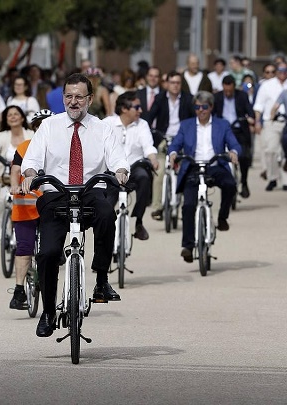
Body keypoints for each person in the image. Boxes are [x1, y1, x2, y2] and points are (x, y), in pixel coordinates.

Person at [20, 73, 129, 338]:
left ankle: (101, 279)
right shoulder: (49, 126)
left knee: (106, 214)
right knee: (47, 253)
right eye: (68, 96)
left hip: (90, 190)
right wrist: (31, 173)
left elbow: (118, 159)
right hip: (56, 193)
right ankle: (47, 312)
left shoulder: (103, 128)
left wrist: (121, 171)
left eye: (79, 96)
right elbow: (32, 159)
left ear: (90, 99)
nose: (73, 101)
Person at [168, 91, 240, 262]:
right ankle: (188, 245)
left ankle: (222, 217)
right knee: (188, 206)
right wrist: (172, 153)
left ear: (211, 107)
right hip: (193, 167)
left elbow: (234, 143)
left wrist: (233, 152)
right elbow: (176, 143)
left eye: (205, 107)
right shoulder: (186, 125)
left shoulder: (222, 124)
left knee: (230, 185)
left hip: (215, 165)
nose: (201, 110)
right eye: (197, 107)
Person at [6, 109, 54, 310]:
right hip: (26, 205)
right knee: (24, 247)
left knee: (51, 248)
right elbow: (16, 170)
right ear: (34, 129)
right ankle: (19, 291)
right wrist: (15, 185)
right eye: (39, 125)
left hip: (50, 204)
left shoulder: (59, 149)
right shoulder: (25, 147)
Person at [103, 91, 159, 240]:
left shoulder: (142, 124)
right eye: (137, 107)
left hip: (134, 168)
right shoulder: (107, 123)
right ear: (124, 109)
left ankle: (138, 221)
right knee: (106, 206)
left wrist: (153, 159)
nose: (140, 110)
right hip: (112, 171)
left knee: (144, 177)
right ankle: (106, 234)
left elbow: (148, 146)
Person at [145, 70, 196, 220]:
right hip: (163, 138)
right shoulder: (160, 98)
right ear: (167, 84)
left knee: (187, 171)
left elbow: (194, 121)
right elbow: (149, 118)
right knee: (159, 170)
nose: (175, 86)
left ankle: (187, 205)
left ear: (181, 84)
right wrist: (150, 131)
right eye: (172, 82)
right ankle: (157, 207)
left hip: (182, 140)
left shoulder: (188, 99)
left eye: (178, 83)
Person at [213, 75, 256, 198]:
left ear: (233, 88)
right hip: (223, 130)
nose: (227, 93)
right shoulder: (217, 97)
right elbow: (213, 114)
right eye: (225, 90)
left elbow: (250, 111)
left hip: (239, 130)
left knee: (243, 155)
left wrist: (250, 118)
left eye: (230, 91)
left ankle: (244, 181)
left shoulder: (242, 96)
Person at [253, 62, 287, 191]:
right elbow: (259, 105)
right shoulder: (266, 85)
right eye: (280, 70)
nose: (283, 72)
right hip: (271, 122)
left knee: (286, 152)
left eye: (285, 70)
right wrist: (257, 122)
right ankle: (272, 178)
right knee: (271, 151)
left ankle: (286, 181)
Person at [0, 105, 34, 196]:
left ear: (22, 118)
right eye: (9, 115)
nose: (13, 117)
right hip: (6, 177)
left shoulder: (31, 134)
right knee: (3, 200)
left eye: (16, 114)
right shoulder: (2, 136)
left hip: (28, 177)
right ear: (6, 120)